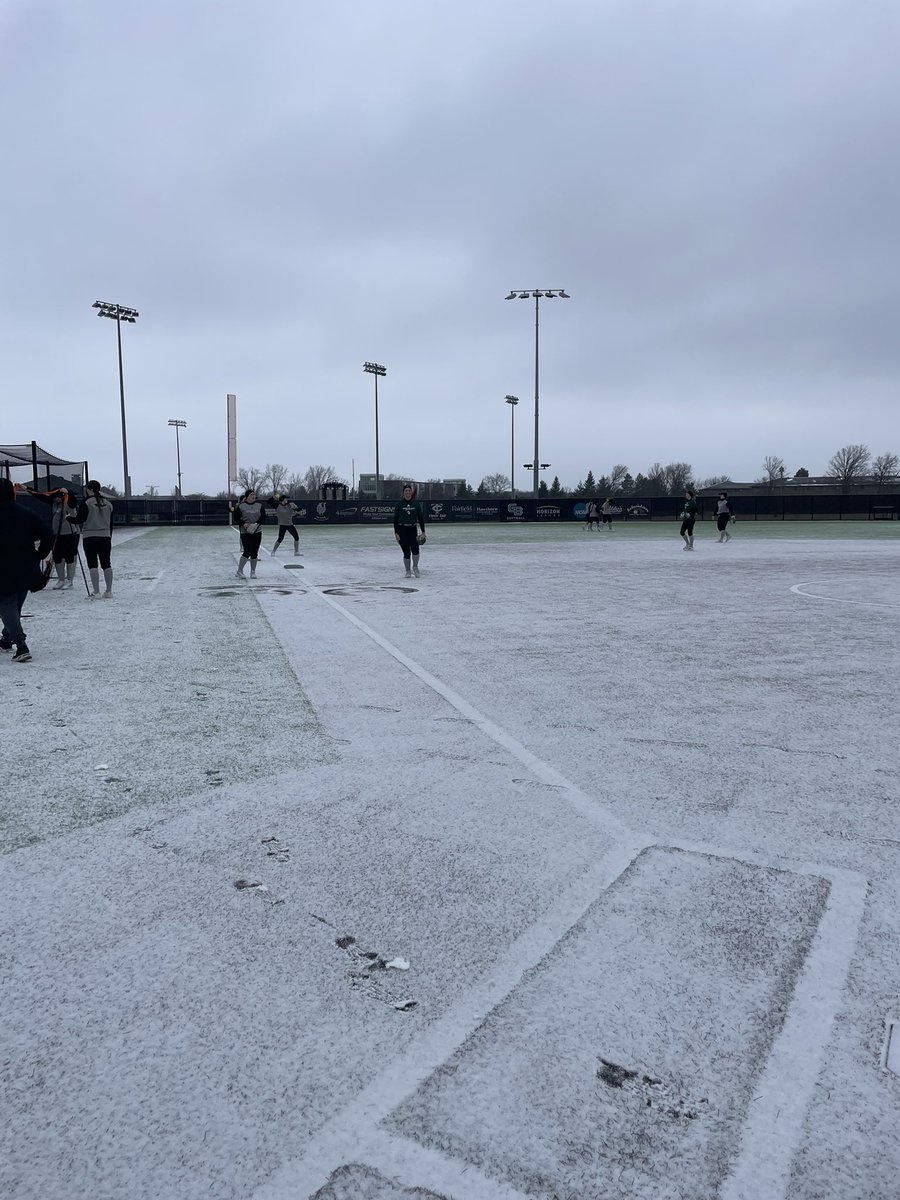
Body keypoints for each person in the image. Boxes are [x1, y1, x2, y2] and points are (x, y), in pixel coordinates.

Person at [0, 477, 53, 662]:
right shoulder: (26, 513)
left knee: (7, 605)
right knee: (14, 606)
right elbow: (48, 534)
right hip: (25, 566)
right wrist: (39, 555)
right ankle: (6, 640)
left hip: (2, 568)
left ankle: (21, 645)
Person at [81, 480, 114, 596]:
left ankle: (96, 591)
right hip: (105, 537)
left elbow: (81, 519)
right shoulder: (108, 503)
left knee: (92, 563)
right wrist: (109, 535)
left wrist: (69, 518)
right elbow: (111, 524)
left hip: (90, 536)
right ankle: (109, 590)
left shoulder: (87, 502)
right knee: (106, 563)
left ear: (89, 489)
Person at [393, 483, 426, 577]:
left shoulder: (416, 504)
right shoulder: (399, 504)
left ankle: (415, 567)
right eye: (406, 491)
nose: (408, 493)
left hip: (412, 529)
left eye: (409, 491)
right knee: (406, 551)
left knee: (415, 549)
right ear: (403, 493)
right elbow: (395, 520)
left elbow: (420, 518)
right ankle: (407, 571)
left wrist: (423, 532)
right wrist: (396, 533)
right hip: (402, 529)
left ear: (411, 492)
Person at [233, 488, 266, 577]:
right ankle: (239, 571)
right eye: (251, 494)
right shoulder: (241, 506)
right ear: (247, 496)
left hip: (257, 531)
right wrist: (244, 524)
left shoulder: (259, 505)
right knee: (247, 551)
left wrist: (257, 524)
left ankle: (253, 572)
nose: (253, 496)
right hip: (245, 532)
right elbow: (236, 518)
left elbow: (263, 518)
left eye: (254, 495)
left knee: (254, 552)